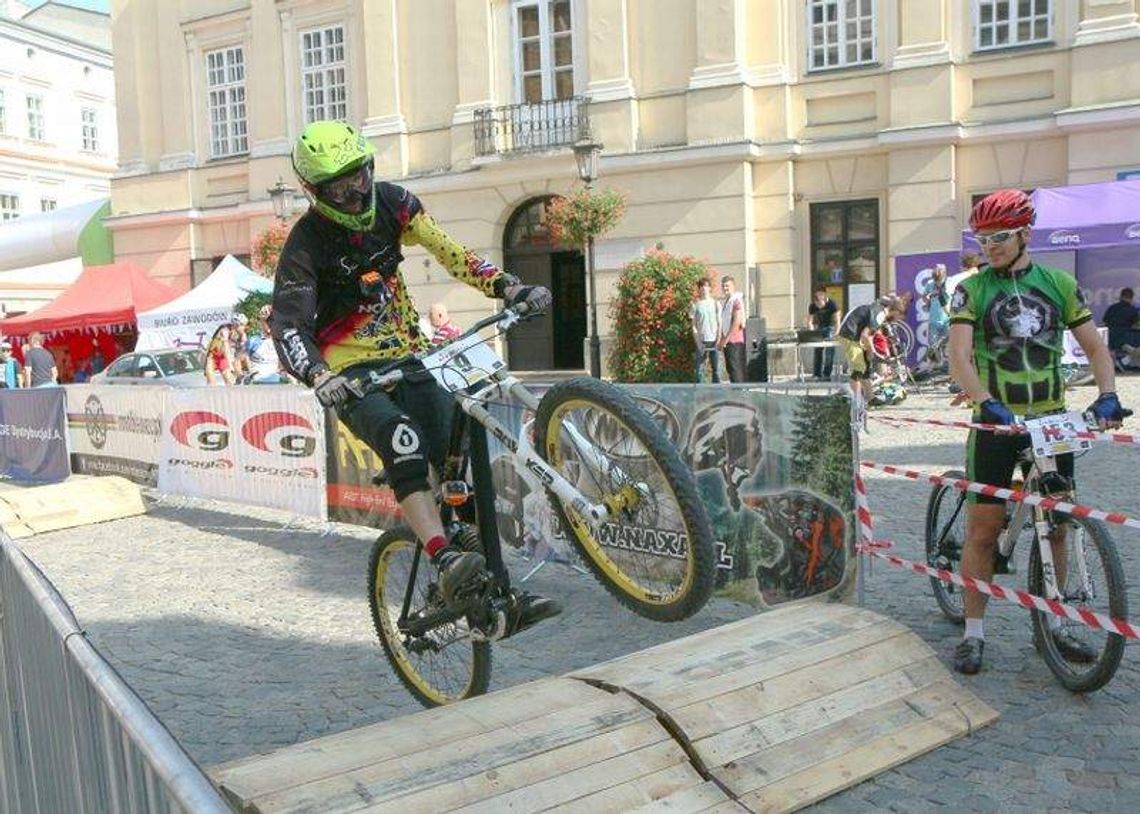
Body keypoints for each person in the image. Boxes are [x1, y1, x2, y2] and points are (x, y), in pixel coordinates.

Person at [269, 119, 559, 636]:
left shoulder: (395, 202)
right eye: (338, 186)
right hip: (352, 374)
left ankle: (494, 592)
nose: (355, 192)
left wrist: (507, 286)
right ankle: (444, 559)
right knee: (403, 444)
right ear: (314, 192)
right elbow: (288, 324)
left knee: (462, 443)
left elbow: (452, 252)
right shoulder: (305, 243)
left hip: (412, 355)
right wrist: (316, 374)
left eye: (358, 175)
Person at [947, 188, 1127, 676]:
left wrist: (1107, 394)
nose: (990, 246)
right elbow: (959, 357)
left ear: (1026, 233)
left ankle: (1058, 623)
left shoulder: (1059, 283)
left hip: (1051, 420)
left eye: (1000, 237)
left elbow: (1093, 348)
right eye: (983, 238)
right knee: (985, 530)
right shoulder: (972, 289)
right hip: (996, 423)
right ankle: (973, 632)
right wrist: (986, 402)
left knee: (1060, 524)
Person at [836, 295, 905, 410]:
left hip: (856, 335)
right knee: (858, 368)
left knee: (866, 367)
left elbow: (870, 335)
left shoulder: (879, 310)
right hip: (850, 335)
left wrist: (870, 351)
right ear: (895, 311)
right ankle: (857, 402)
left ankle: (871, 398)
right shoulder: (880, 315)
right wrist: (871, 351)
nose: (897, 320)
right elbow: (865, 335)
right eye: (898, 317)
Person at [245, 305, 287, 383]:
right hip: (257, 381)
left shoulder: (282, 340)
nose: (269, 324)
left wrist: (283, 372)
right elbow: (241, 359)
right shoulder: (252, 341)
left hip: (277, 380)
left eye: (272, 321)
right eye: (266, 321)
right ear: (260, 322)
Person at [690, 278, 721, 382]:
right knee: (699, 370)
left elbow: (719, 323)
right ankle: (700, 393)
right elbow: (693, 325)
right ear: (699, 289)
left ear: (709, 288)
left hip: (714, 341)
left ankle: (717, 393)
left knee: (716, 370)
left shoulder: (716, 304)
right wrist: (698, 342)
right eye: (701, 287)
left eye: (706, 286)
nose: (704, 289)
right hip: (702, 341)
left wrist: (718, 339)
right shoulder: (696, 305)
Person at [717, 275, 746, 382]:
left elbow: (736, 322)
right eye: (723, 286)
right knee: (731, 370)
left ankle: (740, 395)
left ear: (733, 286)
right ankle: (736, 393)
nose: (725, 288)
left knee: (736, 370)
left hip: (735, 341)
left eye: (727, 286)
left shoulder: (736, 300)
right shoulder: (728, 301)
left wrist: (726, 339)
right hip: (729, 342)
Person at [807, 286, 839, 380]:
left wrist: (836, 332)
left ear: (824, 295)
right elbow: (809, 320)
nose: (819, 308)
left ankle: (826, 375)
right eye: (817, 294)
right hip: (819, 328)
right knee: (817, 351)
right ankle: (817, 374)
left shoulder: (832, 304)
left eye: (820, 294)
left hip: (830, 328)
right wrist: (811, 330)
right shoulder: (812, 305)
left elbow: (837, 321)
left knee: (829, 353)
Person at [1102, 287, 1139, 366]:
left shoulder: (1112, 308)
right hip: (1125, 338)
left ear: (1121, 296)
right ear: (1132, 298)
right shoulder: (1132, 310)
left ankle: (1121, 360)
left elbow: (1105, 321)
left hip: (1109, 338)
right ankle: (1124, 361)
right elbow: (1137, 325)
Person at [921, 264, 951, 362]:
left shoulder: (950, 283)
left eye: (939, 280)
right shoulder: (930, 284)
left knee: (949, 345)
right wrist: (928, 300)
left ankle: (948, 368)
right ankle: (934, 367)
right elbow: (924, 296)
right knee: (933, 347)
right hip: (933, 320)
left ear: (944, 276)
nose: (937, 283)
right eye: (935, 281)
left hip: (947, 319)